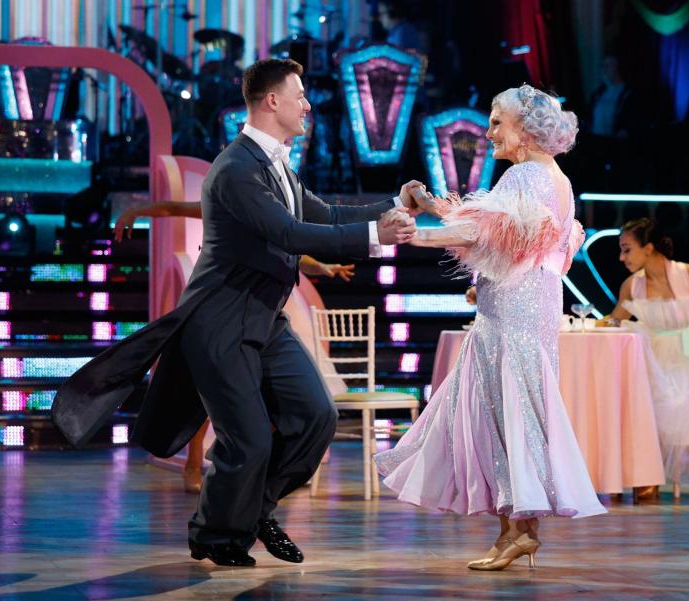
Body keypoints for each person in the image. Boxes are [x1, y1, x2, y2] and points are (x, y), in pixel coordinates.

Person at [51, 57, 421, 567]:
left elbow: (328, 215)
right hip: (219, 323)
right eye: (300, 95)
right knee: (246, 440)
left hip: (265, 320)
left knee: (316, 417)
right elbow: (290, 235)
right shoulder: (237, 170)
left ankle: (253, 514)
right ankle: (214, 534)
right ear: (272, 101)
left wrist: (390, 205)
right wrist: (375, 235)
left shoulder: (277, 166)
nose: (308, 104)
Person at [374, 85, 606, 572]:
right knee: (500, 414)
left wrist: (415, 234)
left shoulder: (526, 175)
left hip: (515, 318)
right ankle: (513, 533)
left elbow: (479, 231)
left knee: (508, 413)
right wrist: (434, 204)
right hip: (519, 309)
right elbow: (502, 231)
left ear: (526, 130)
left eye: (498, 121)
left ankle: (521, 531)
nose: (489, 131)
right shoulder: (551, 178)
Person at [115, 202, 356, 493]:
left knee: (270, 394)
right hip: (217, 309)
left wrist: (321, 266)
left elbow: (291, 250)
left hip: (260, 313)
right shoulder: (227, 200)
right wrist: (135, 212)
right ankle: (195, 462)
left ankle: (239, 457)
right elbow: (172, 208)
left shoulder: (271, 213)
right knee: (204, 394)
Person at [604, 218, 689, 502]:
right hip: (650, 364)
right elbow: (613, 321)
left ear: (649, 248)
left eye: (627, 249)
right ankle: (637, 476)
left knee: (684, 398)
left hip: (688, 359)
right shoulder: (632, 286)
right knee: (648, 397)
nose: (622, 257)